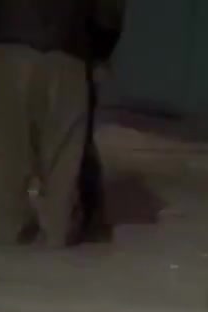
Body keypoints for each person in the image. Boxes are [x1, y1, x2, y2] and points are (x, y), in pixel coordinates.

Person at [0, 0, 125, 248]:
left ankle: (8, 228)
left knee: (7, 145)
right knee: (64, 150)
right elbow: (109, 13)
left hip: (8, 51)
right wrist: (99, 50)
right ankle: (58, 229)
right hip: (69, 54)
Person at [73, 11, 127, 245]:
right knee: (77, 140)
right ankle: (86, 220)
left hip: (72, 52)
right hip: (78, 54)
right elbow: (109, 15)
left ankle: (84, 218)